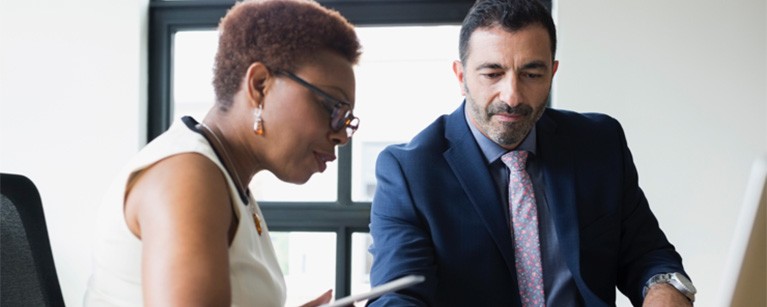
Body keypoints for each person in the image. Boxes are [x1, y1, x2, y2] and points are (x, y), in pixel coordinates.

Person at [367, 0, 695, 306]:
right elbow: (398, 294)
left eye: (531, 74)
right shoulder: (409, 171)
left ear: (552, 73)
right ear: (461, 76)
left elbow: (649, 254)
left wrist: (664, 288)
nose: (512, 96)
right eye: (492, 74)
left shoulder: (599, 143)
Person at [84, 0, 361, 306]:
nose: (341, 135)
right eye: (333, 107)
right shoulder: (187, 177)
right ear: (259, 86)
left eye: (347, 119)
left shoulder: (227, 179)